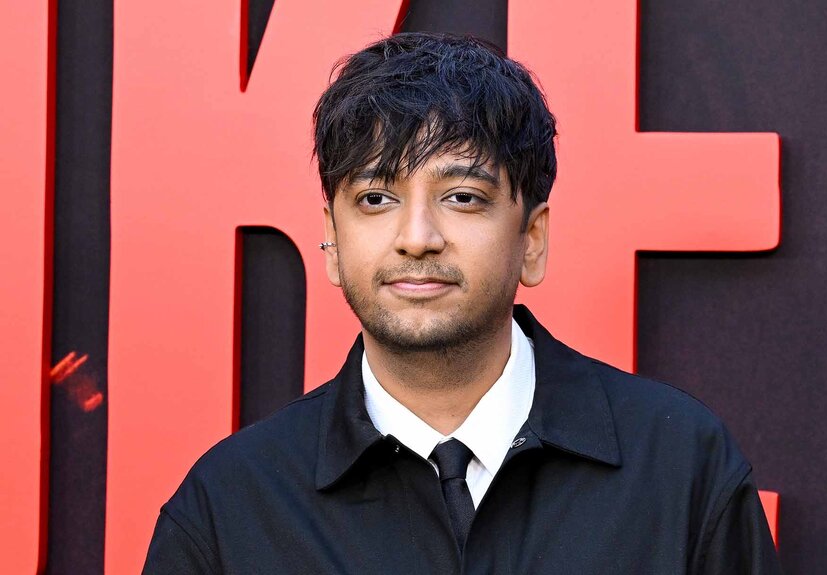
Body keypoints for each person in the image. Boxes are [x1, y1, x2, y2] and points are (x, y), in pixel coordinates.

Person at [143, 33, 782, 574]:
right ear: (332, 243)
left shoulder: (681, 470)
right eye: (375, 199)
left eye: (463, 197)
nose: (417, 238)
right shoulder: (230, 507)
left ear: (531, 240)